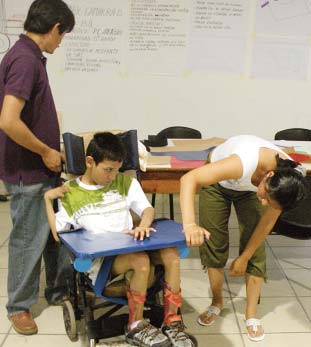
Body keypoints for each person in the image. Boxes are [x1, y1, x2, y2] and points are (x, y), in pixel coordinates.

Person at [44, 132, 194, 347]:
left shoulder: (125, 182)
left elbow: (148, 210)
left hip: (133, 246)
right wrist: (47, 199)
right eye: (108, 170)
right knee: (140, 260)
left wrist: (143, 225)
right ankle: (136, 326)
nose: (113, 176)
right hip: (103, 261)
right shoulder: (71, 193)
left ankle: (172, 322)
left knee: (171, 254)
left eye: (116, 169)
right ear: (89, 162)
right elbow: (58, 234)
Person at [179, 134, 307, 342]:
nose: (264, 203)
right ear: (268, 175)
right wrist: (190, 224)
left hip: (250, 189)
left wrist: (244, 257)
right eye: (266, 197)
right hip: (219, 184)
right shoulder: (243, 163)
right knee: (214, 242)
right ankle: (217, 302)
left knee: (256, 251)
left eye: (270, 202)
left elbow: (265, 224)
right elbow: (188, 179)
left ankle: (251, 315)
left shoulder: (287, 182)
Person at [0, 0, 75, 335]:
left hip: (41, 170)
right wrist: (46, 151)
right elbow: (8, 121)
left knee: (51, 234)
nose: (61, 42)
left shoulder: (27, 57)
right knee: (28, 238)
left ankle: (58, 290)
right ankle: (18, 307)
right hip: (28, 171)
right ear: (55, 26)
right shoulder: (25, 60)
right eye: (63, 35)